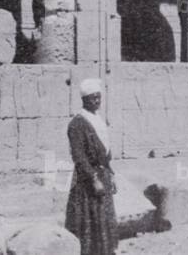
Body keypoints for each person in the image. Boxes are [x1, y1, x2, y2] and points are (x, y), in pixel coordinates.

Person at [66, 78, 118, 255]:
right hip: (88, 180)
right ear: (84, 100)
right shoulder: (77, 123)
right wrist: (93, 178)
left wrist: (111, 174)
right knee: (90, 219)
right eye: (93, 98)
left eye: (99, 97)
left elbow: (105, 151)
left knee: (104, 218)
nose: (97, 101)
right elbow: (78, 156)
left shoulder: (98, 120)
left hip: (103, 174)